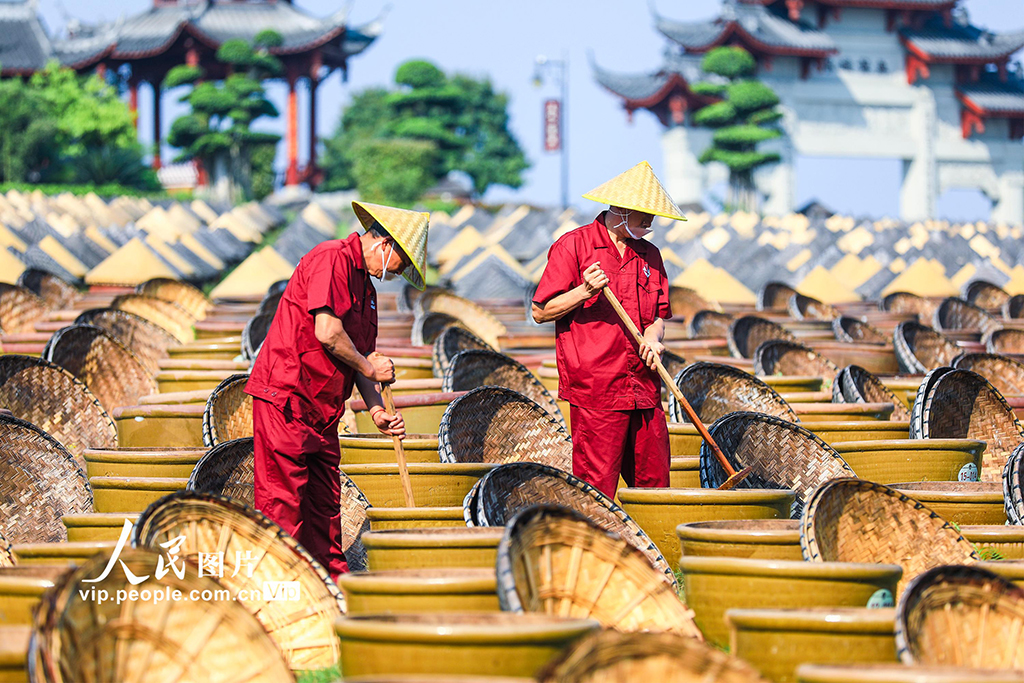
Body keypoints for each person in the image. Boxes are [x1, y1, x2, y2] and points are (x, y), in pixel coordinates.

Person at [245, 201, 429, 581]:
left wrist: (376, 410)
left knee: (325, 511)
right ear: (385, 245)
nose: (396, 274)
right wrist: (370, 368)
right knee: (283, 508)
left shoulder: (367, 289)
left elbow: (360, 358)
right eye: (400, 265)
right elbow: (328, 333)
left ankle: (332, 589)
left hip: (323, 412)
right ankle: (281, 592)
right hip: (287, 400)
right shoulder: (332, 258)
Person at [531, 161, 686, 498]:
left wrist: (653, 338)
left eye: (654, 214)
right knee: (596, 489)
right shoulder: (574, 246)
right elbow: (540, 311)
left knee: (655, 485)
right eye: (644, 213)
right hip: (596, 389)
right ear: (620, 209)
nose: (650, 221)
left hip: (644, 386)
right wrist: (584, 291)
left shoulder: (651, 255)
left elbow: (658, 317)